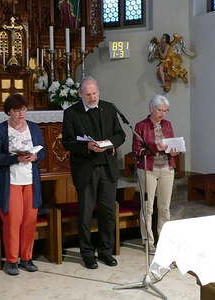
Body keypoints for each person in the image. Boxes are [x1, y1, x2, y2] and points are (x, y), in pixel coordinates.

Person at [62, 76, 125, 269]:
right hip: (86, 169)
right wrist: (87, 147)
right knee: (86, 213)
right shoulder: (72, 113)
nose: (92, 97)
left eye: (95, 93)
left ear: (99, 91)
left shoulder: (109, 108)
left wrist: (110, 143)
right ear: (81, 94)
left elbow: (120, 134)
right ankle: (87, 253)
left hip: (107, 167)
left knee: (107, 212)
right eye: (88, 94)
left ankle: (105, 251)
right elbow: (68, 142)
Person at [0, 94, 45, 276]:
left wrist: (35, 156)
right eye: (17, 110)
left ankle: (27, 258)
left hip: (30, 181)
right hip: (11, 182)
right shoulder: (0, 130)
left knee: (29, 221)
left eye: (23, 109)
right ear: (9, 112)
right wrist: (15, 158)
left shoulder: (34, 128)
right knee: (13, 222)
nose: (21, 113)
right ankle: (12, 260)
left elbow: (42, 152)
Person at [132, 94, 179, 254]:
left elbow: (172, 144)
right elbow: (137, 150)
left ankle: (164, 240)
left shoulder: (168, 124)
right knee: (147, 207)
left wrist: (174, 152)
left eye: (165, 111)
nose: (163, 114)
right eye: (160, 110)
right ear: (151, 109)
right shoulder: (141, 126)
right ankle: (148, 241)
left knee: (165, 208)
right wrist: (155, 147)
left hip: (167, 168)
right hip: (147, 169)